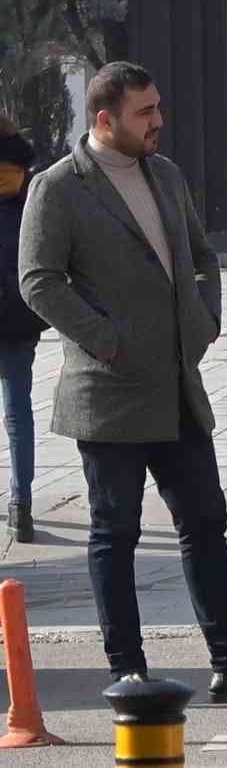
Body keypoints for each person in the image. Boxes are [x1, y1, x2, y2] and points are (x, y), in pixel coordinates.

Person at [18, 62, 227, 701]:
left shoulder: (167, 174)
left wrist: (205, 320)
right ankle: (127, 667)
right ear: (104, 120)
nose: (158, 121)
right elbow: (37, 279)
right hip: (109, 392)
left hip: (178, 387)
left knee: (206, 523)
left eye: (157, 107)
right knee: (114, 530)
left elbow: (203, 259)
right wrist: (105, 341)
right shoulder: (59, 187)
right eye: (144, 112)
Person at [0, 115, 45, 543]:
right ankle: (21, 504)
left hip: (16, 315)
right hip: (18, 315)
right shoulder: (28, 187)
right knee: (18, 413)